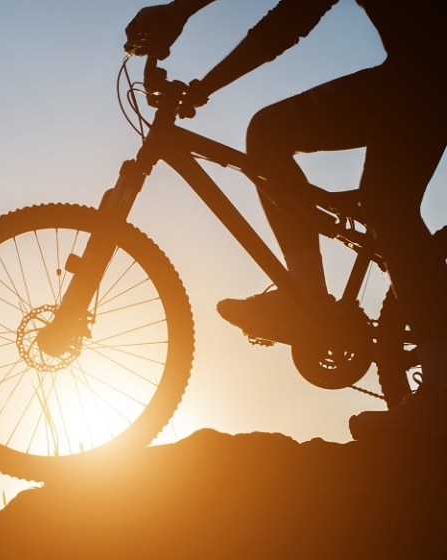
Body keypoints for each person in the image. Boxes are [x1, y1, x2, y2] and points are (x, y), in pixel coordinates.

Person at [124, 0, 447, 439]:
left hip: (431, 71)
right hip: (412, 72)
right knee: (269, 133)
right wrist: (203, 80)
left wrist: (182, 15)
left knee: (386, 202)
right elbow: (292, 19)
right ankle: (309, 301)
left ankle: (441, 392)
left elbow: (289, 22)